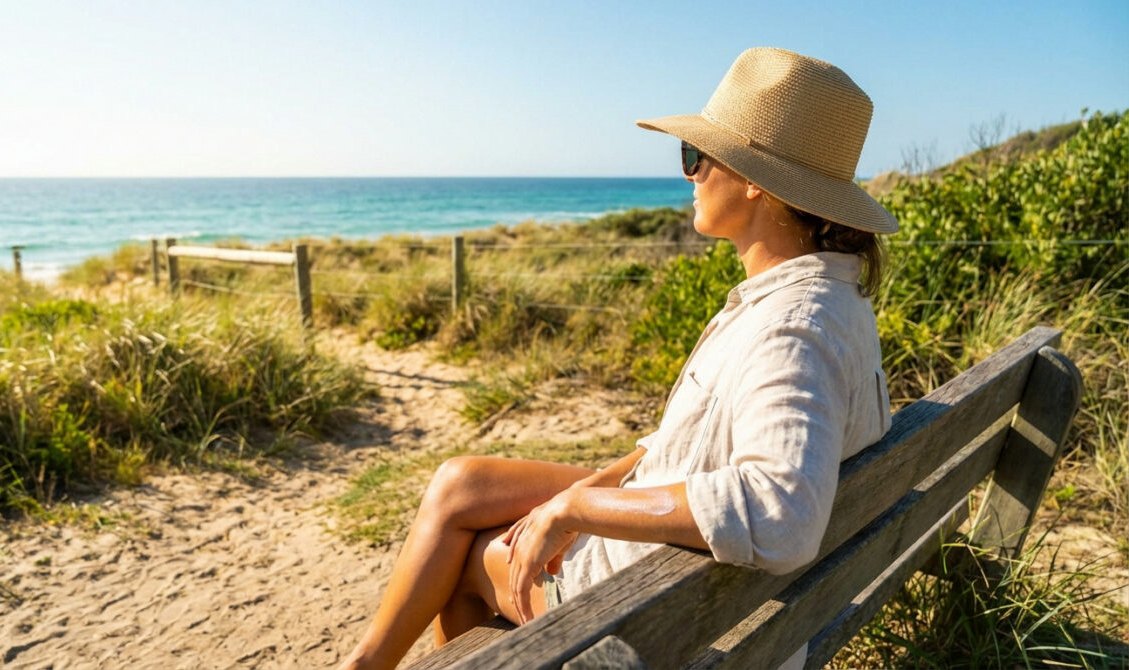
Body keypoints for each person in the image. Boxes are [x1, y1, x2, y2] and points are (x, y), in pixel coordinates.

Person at [340, 46, 899, 670]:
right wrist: (589, 488)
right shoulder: (826, 298)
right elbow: (698, 444)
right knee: (460, 484)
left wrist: (576, 508)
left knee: (469, 562)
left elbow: (781, 514)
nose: (688, 175)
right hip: (699, 578)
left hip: (655, 606)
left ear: (754, 181)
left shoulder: (792, 329)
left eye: (695, 156)